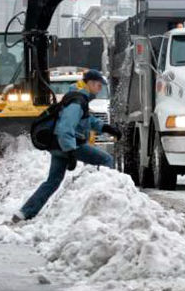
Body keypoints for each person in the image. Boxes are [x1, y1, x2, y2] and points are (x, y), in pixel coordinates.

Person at [11, 70, 122, 223]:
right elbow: (65, 128)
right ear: (89, 83)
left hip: (59, 145)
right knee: (106, 160)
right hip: (68, 145)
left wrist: (106, 128)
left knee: (53, 181)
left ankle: (23, 213)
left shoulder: (77, 98)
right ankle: (108, 204)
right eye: (98, 85)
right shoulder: (77, 101)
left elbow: (86, 121)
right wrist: (70, 151)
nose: (99, 88)